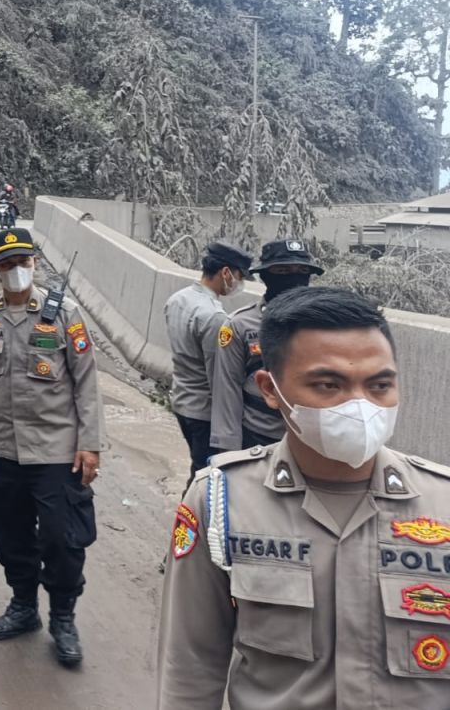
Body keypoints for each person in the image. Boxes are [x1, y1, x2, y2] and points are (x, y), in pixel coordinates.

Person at [158, 286, 450, 707]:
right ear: (270, 389)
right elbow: (190, 668)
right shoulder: (221, 502)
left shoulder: (442, 504)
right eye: (328, 385)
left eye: (379, 385)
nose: (360, 406)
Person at [0, 229, 103, 665]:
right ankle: (23, 606)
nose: (16, 269)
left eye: (23, 260)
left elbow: (87, 385)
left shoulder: (64, 315)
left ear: (35, 262)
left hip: (57, 449)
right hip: (4, 447)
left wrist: (90, 445)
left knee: (62, 537)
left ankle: (62, 617)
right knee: (7, 530)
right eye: (6, 263)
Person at [210, 238, 325, 454]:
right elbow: (227, 388)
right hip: (258, 438)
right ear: (265, 276)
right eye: (283, 271)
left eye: (302, 270)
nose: (294, 277)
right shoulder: (239, 325)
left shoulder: (326, 323)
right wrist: (228, 451)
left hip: (310, 439)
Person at [163, 241, 252, 477]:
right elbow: (219, 376)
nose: (239, 284)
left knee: (197, 467)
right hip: (204, 412)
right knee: (206, 478)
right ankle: (190, 512)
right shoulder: (214, 317)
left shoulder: (177, 299)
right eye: (239, 276)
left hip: (182, 401)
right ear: (225, 273)